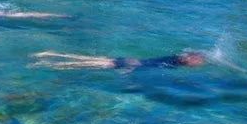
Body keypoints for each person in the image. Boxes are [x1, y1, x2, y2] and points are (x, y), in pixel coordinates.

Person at [31, 50, 206, 70]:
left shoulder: (174, 58)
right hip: (131, 63)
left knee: (86, 59)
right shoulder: (173, 63)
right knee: (83, 65)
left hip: (133, 59)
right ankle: (49, 64)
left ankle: (48, 54)